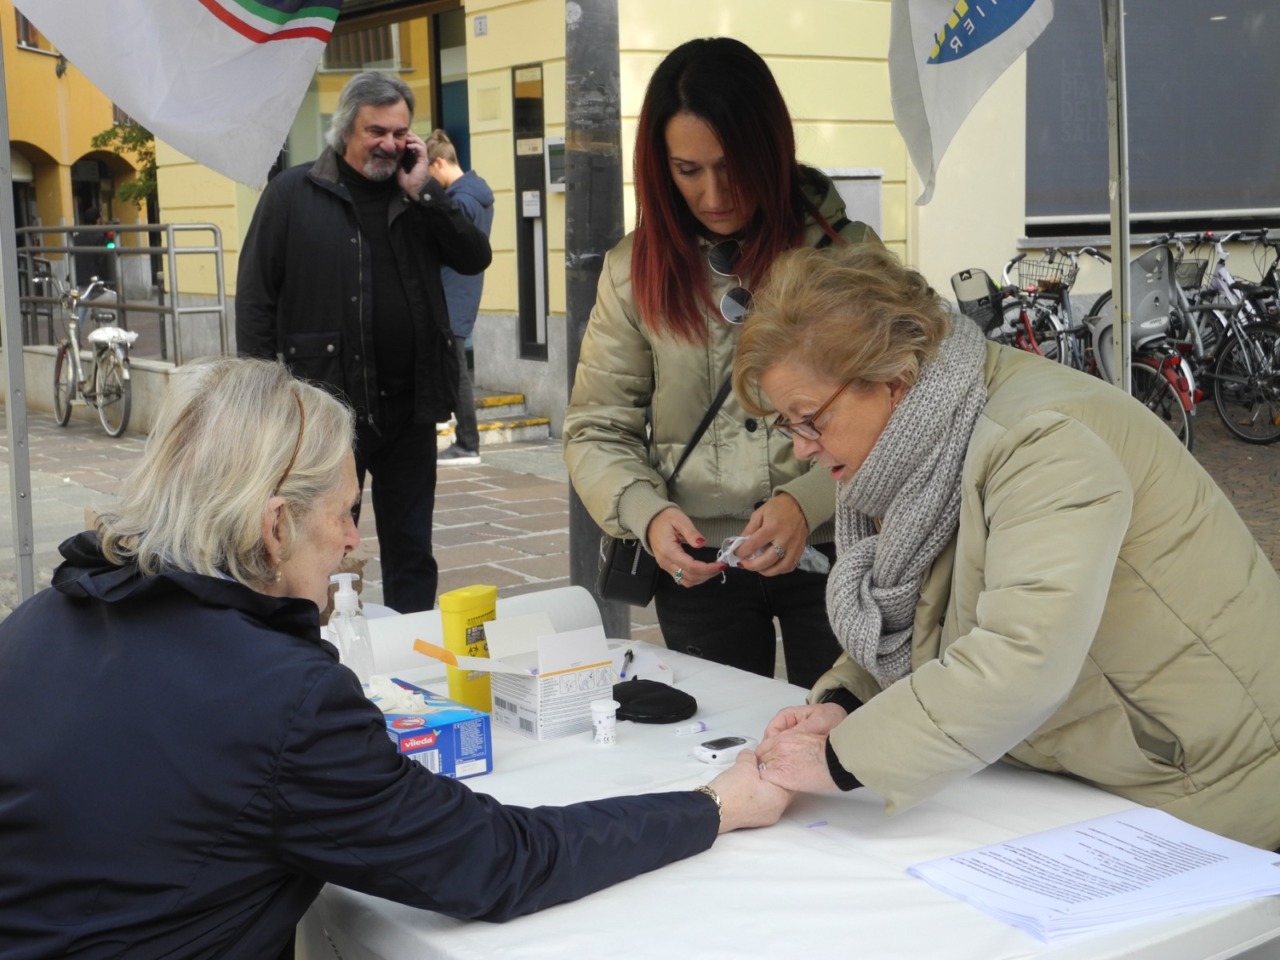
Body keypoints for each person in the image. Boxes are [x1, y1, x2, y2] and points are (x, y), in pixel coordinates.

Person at [0, 357, 792, 960]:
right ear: (274, 527)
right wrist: (711, 805)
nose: (354, 541)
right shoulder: (282, 701)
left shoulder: (37, 623)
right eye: (346, 513)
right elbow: (495, 864)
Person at [733, 243, 1280, 849]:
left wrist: (841, 759)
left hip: (1208, 783)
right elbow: (931, 607)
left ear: (893, 379)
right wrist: (845, 699)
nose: (801, 449)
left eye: (810, 419)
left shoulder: (1042, 439)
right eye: (789, 424)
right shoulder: (926, 436)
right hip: (1104, 773)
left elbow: (1020, 657)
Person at [563, 37, 880, 689]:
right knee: (720, 747)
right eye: (688, 170)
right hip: (700, 564)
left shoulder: (845, 256)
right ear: (659, 165)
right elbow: (597, 427)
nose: (714, 193)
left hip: (840, 547)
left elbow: (904, 407)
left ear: (769, 147)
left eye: (732, 165)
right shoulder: (634, 271)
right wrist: (647, 513)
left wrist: (809, 500)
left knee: (854, 744)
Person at [236, 71, 491, 614]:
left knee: (411, 550)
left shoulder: (418, 197)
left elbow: (473, 257)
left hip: (410, 410)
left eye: (400, 133)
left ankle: (411, 654)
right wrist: (262, 403)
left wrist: (426, 191)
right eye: (377, 130)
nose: (390, 144)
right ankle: (317, 649)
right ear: (345, 128)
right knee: (317, 548)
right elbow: (256, 299)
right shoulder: (292, 194)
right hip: (326, 414)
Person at [426, 128, 495, 466]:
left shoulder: (461, 201)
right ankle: (464, 439)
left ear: (439, 163)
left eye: (428, 173)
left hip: (453, 293)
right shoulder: (472, 194)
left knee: (457, 372)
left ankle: (467, 443)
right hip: (458, 291)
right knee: (454, 369)